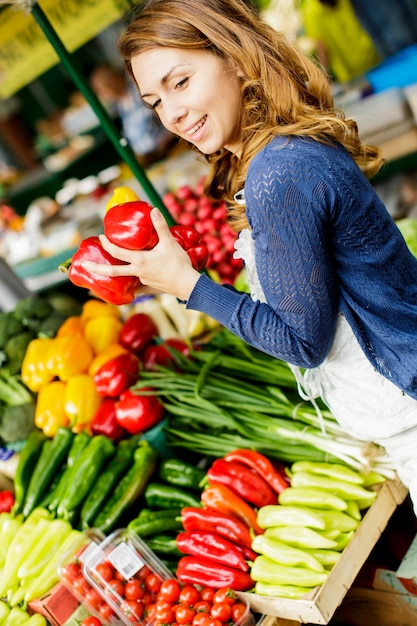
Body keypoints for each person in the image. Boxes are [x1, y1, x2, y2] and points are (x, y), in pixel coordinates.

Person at [83, 0, 417, 511]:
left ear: (235, 58)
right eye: (153, 101)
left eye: (180, 82)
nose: (170, 113)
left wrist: (191, 289)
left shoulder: (276, 172)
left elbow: (302, 342)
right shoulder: (277, 152)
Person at [90, 64, 176, 166]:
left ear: (113, 82)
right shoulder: (120, 103)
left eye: (103, 90)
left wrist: (168, 139)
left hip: (171, 150)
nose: (103, 96)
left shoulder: (139, 90)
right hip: (151, 159)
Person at [300, 0, 381, 83]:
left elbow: (322, 48)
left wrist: (324, 78)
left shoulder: (310, 11)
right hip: (372, 54)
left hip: (350, 72)